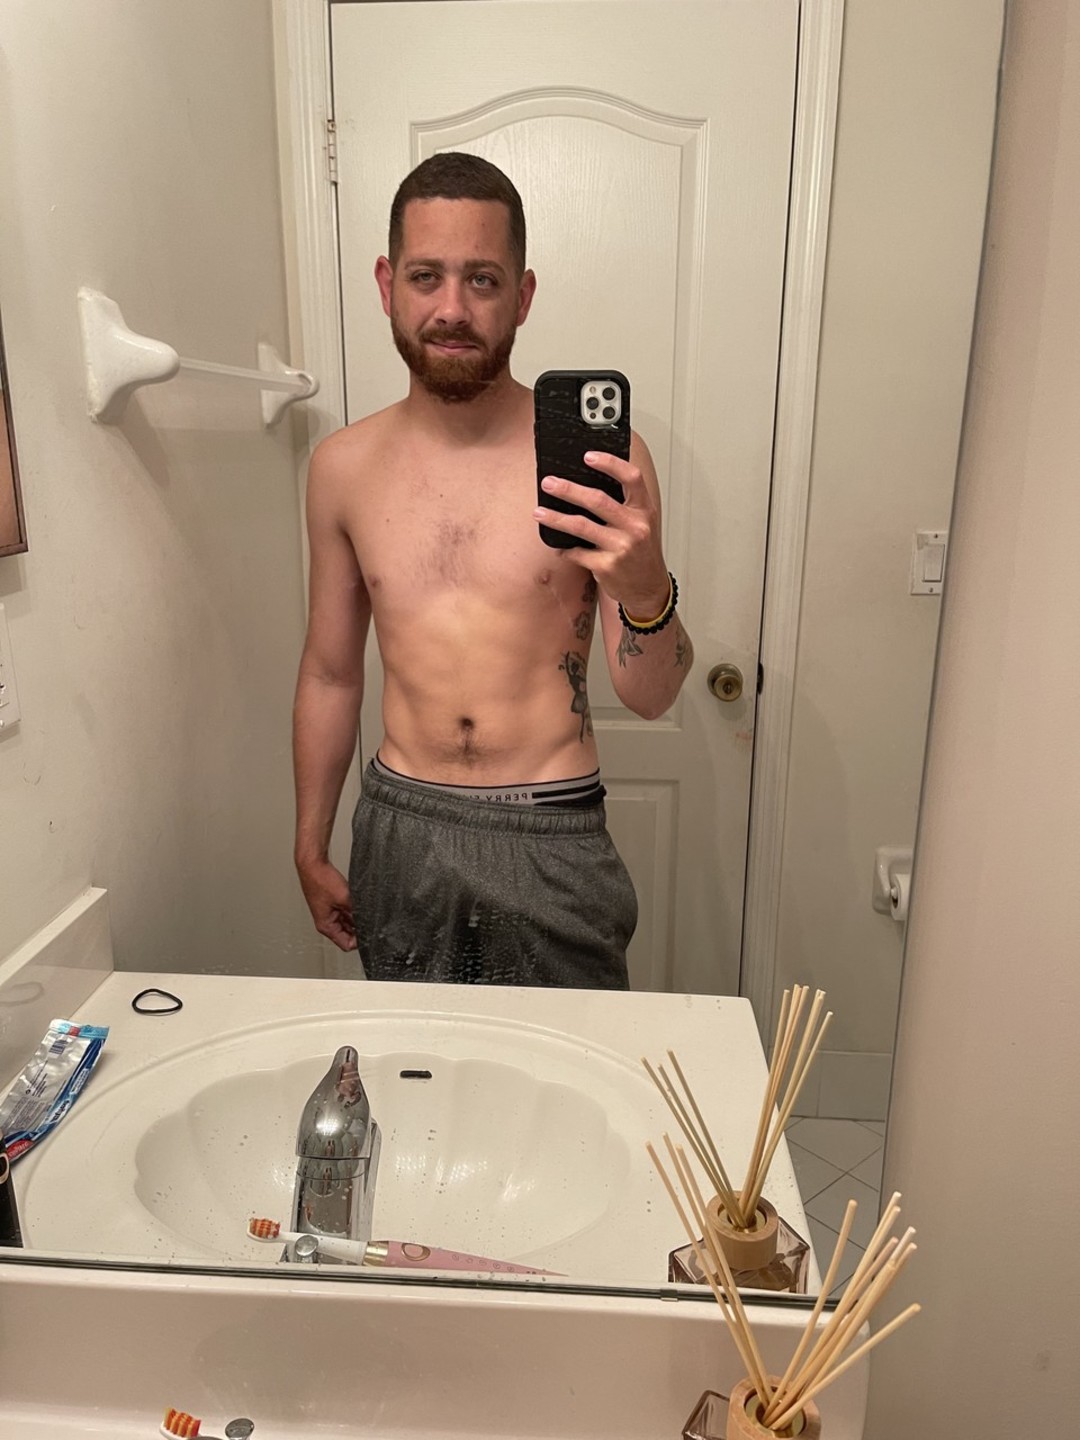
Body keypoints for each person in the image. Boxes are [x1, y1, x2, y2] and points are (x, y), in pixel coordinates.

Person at [292, 152, 693, 988]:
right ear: (386, 284)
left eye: (482, 279)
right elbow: (331, 673)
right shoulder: (342, 468)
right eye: (426, 276)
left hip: (553, 834)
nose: (451, 308)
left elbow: (652, 697)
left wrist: (646, 588)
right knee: (416, 1062)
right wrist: (309, 841)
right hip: (400, 830)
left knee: (569, 1067)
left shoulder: (604, 464)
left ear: (523, 295)